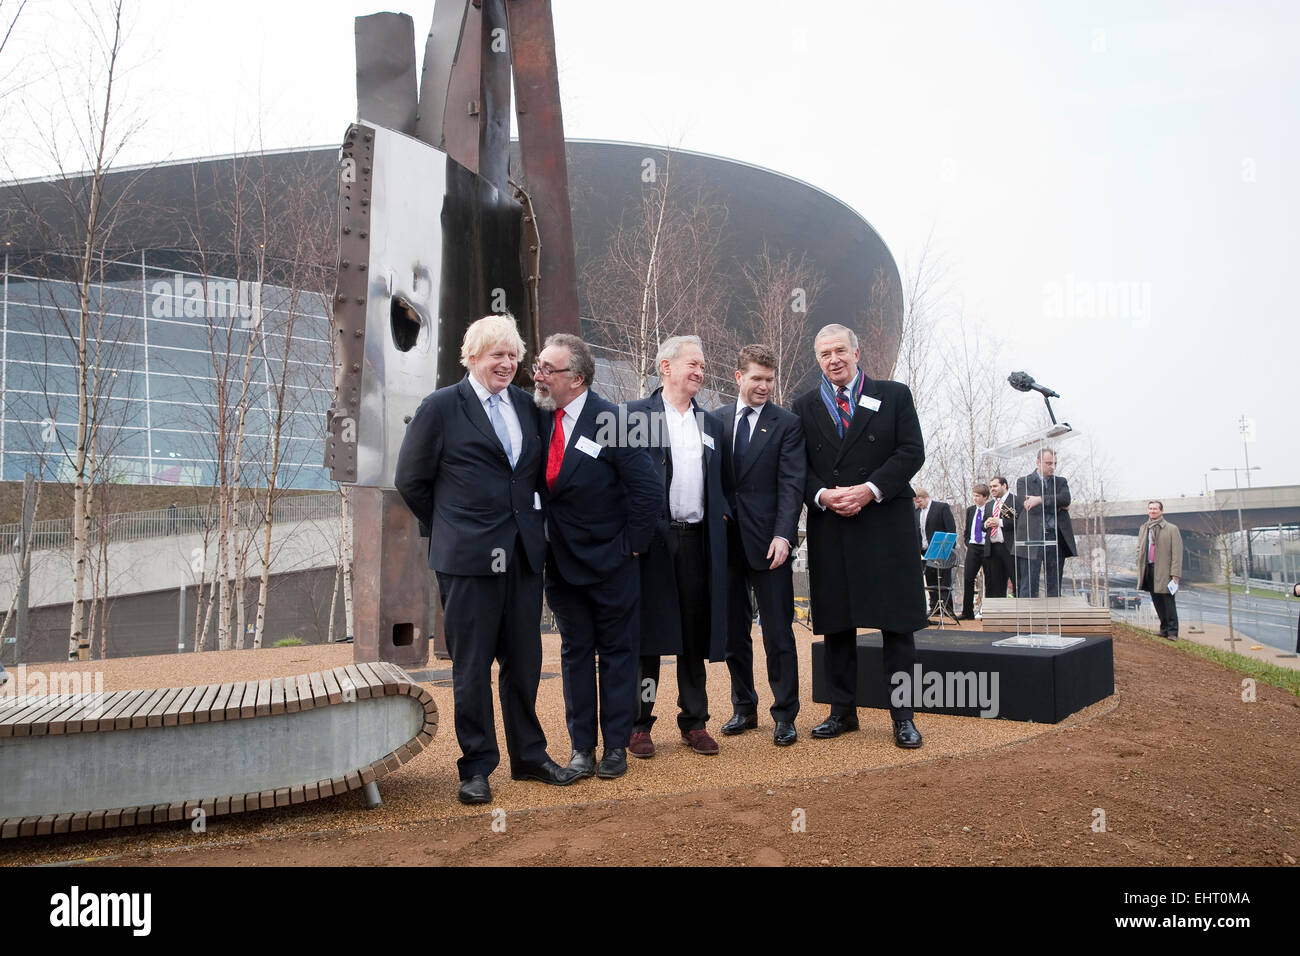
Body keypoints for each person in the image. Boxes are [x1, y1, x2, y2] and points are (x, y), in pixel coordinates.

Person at [395, 314, 579, 805]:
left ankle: (530, 758)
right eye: (497, 354)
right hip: (467, 561)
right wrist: (451, 526)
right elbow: (411, 480)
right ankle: (476, 766)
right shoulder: (439, 408)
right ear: (472, 357)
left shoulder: (528, 405)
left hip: (521, 558)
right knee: (471, 667)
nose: (507, 362)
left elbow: (535, 477)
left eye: (513, 354)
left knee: (524, 663)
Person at [534, 333, 662, 780]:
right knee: (574, 654)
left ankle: (615, 748)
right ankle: (581, 748)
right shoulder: (540, 416)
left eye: (549, 369)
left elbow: (648, 490)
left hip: (613, 563)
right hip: (561, 565)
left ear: (579, 378)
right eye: (539, 366)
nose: (539, 375)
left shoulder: (615, 419)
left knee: (617, 655)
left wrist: (631, 545)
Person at [792, 323, 926, 749]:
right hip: (833, 525)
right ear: (818, 360)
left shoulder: (894, 394)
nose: (834, 359)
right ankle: (842, 711)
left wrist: (869, 490)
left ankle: (902, 716)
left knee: (897, 626)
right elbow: (798, 466)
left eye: (840, 351)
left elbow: (911, 451)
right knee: (837, 624)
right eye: (825, 354)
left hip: (885, 522)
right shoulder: (804, 405)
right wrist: (822, 494)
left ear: (856, 351)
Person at [627, 335, 728, 758]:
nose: (700, 371)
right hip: (651, 544)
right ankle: (638, 724)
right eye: (693, 363)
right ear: (665, 367)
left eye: (703, 365)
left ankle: (695, 721)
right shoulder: (633, 416)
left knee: (693, 633)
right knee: (649, 636)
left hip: (696, 541)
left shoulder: (712, 424)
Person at [714, 344, 806, 747]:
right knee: (734, 632)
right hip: (724, 545)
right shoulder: (714, 420)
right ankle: (743, 707)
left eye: (769, 379)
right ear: (738, 377)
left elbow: (791, 485)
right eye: (757, 378)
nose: (764, 386)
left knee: (778, 634)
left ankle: (784, 714)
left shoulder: (786, 424)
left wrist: (784, 536)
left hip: (771, 546)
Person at [1014, 448, 1077, 597]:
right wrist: (1055, 502)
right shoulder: (1024, 481)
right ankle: (1027, 619)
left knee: (1054, 586)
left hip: (1055, 538)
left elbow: (1065, 499)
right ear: (1038, 462)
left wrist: (1039, 499)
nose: (1052, 467)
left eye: (1055, 463)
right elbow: (1027, 504)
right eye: (1048, 463)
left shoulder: (1061, 481)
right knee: (1029, 585)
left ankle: (1055, 619)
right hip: (1032, 538)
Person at [1136, 500, 1182, 640]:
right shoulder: (1144, 528)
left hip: (1164, 570)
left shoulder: (1171, 529)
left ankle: (1172, 632)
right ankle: (1163, 629)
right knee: (1156, 600)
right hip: (1148, 568)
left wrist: (1175, 574)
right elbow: (1140, 548)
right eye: (1150, 509)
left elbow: (1177, 553)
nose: (1152, 511)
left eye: (1155, 509)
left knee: (1167, 600)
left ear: (1161, 511)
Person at [915, 488, 956, 616]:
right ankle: (934, 607)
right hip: (925, 550)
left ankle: (946, 607)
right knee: (930, 578)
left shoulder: (941, 507)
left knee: (944, 578)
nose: (918, 503)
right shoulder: (916, 512)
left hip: (941, 547)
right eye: (916, 501)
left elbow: (951, 528)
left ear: (926, 497)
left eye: (920, 500)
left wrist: (950, 548)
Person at [959, 482, 993, 619]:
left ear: (985, 497)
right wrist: (967, 541)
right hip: (973, 547)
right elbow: (967, 528)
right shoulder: (971, 510)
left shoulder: (990, 509)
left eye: (978, 496)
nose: (975, 498)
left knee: (989, 579)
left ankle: (988, 612)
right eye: (974, 495)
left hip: (986, 547)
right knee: (968, 578)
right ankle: (967, 611)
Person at [983, 475, 1016, 598]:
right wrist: (987, 524)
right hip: (992, 548)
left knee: (1016, 580)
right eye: (991, 486)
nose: (992, 489)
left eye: (995, 486)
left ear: (1004, 486)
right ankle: (997, 613)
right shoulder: (989, 504)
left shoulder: (1015, 501)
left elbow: (1020, 523)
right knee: (995, 584)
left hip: (1010, 548)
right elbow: (982, 525)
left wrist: (1000, 522)